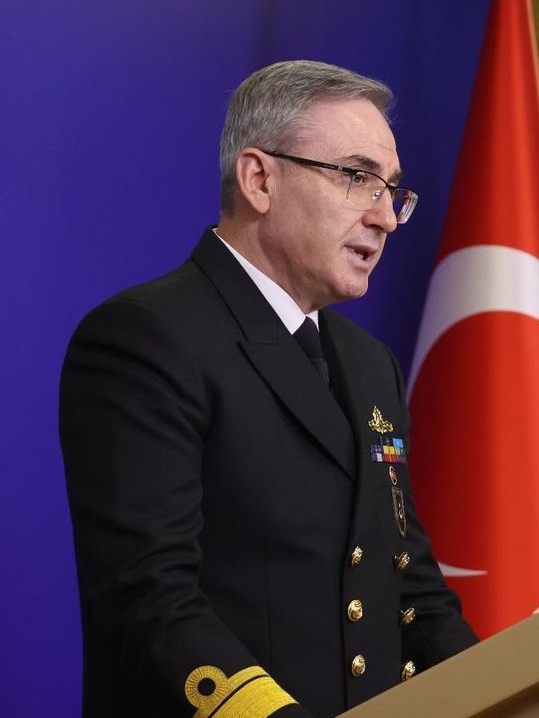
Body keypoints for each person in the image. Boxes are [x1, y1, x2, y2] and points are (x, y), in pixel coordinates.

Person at [60, 60, 478, 717]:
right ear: (259, 179)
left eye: (393, 189)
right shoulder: (147, 337)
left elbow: (411, 591)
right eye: (358, 178)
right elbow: (149, 600)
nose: (387, 217)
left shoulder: (369, 365)